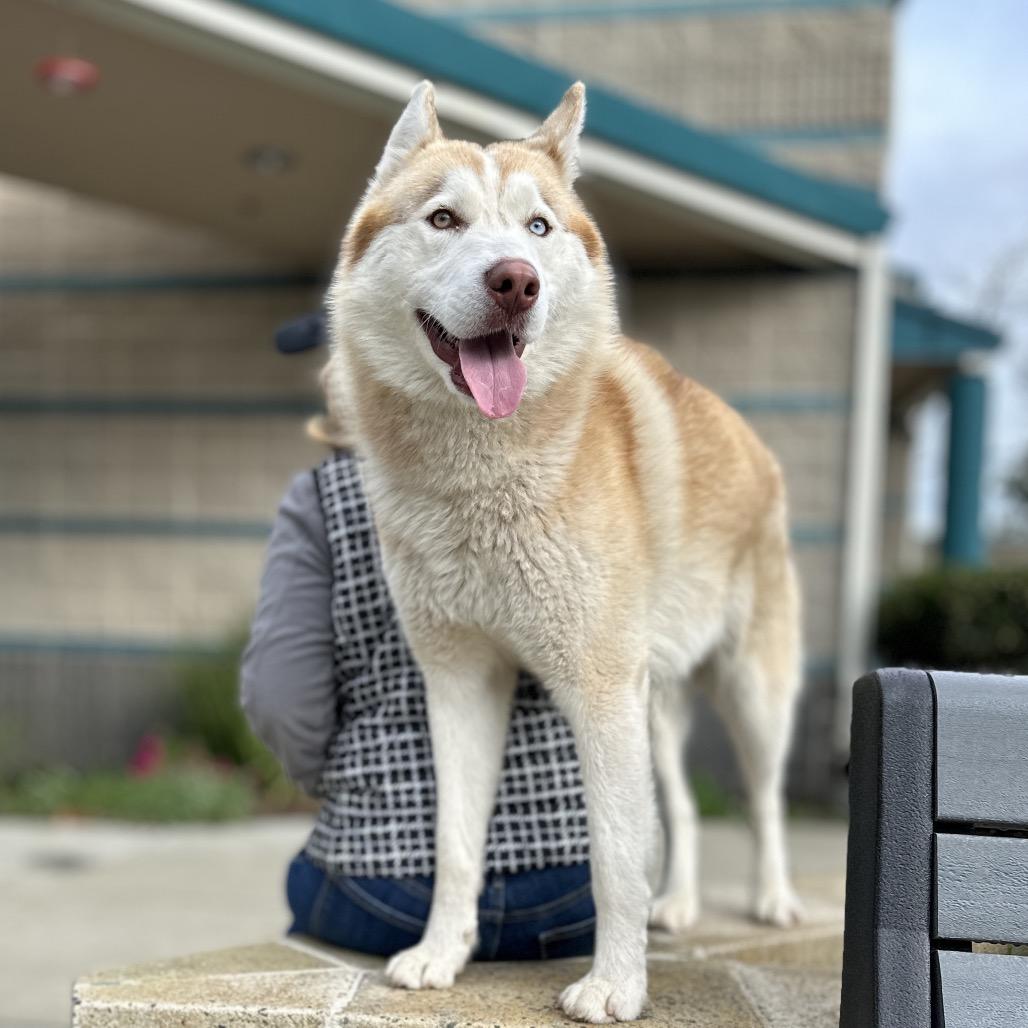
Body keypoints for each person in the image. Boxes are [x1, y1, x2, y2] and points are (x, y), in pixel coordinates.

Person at [239, 317, 595, 961]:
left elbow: (280, 696)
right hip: (577, 882)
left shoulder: (324, 497)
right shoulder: (573, 473)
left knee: (307, 893)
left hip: (387, 882)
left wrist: (341, 780)